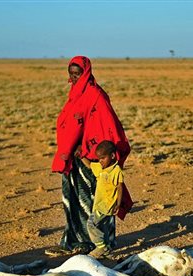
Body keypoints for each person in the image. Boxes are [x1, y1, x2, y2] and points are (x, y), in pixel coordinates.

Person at [45, 56, 131, 257]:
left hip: (91, 158)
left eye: (78, 73)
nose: (74, 77)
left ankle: (98, 244)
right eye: (71, 73)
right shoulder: (75, 93)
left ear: (86, 73)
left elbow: (106, 126)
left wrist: (87, 149)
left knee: (97, 200)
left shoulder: (95, 95)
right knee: (73, 199)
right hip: (75, 157)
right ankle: (74, 241)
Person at [79, 141, 123, 258]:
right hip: (98, 204)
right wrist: (81, 155)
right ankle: (106, 249)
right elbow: (89, 165)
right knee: (101, 226)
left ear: (112, 156)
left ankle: (101, 247)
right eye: (99, 158)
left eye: (103, 158)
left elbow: (119, 187)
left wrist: (118, 204)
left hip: (107, 205)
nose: (100, 161)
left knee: (91, 223)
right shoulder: (100, 167)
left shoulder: (116, 170)